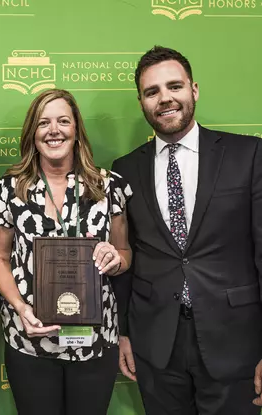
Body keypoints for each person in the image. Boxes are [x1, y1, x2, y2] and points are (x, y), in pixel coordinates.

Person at [112, 46, 262, 414]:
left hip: (235, 341)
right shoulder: (125, 168)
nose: (165, 98)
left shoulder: (249, 155)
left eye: (174, 86)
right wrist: (125, 331)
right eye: (152, 92)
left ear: (193, 90)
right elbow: (126, 254)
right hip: (155, 346)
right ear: (142, 102)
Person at [0, 88, 133, 415]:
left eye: (63, 121)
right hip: (30, 339)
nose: (54, 130)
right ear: (32, 134)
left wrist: (116, 259)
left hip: (95, 339)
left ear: (76, 130)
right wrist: (20, 307)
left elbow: (125, 253)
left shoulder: (109, 187)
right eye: (43, 123)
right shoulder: (7, 190)